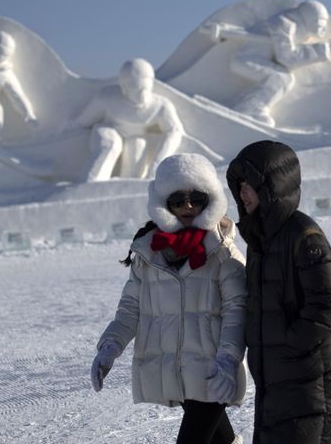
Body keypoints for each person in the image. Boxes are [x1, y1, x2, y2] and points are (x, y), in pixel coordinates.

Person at [91, 153, 247, 444]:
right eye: (178, 199)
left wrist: (227, 361)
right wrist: (110, 346)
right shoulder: (149, 254)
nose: (187, 206)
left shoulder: (223, 252)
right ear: (165, 203)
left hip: (213, 371)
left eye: (196, 198)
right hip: (178, 370)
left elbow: (237, 311)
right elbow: (130, 308)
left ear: (210, 200)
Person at [225, 140, 331, 443]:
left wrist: (291, 346)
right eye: (240, 186)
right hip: (282, 381)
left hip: (312, 382)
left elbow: (327, 303)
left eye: (251, 186)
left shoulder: (302, 234)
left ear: (273, 187)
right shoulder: (261, 239)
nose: (243, 194)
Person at [202, 0, 331, 126]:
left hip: (255, 59)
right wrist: (321, 50)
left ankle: (244, 104)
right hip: (246, 59)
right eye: (320, 21)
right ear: (310, 18)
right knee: (280, 78)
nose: (322, 27)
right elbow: (287, 57)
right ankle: (250, 109)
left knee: (281, 77)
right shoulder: (284, 24)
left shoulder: (294, 26)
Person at [70, 58, 184, 181]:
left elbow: (174, 131)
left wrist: (157, 164)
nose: (141, 95)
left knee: (137, 152)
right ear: (123, 87)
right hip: (109, 130)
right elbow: (84, 121)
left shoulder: (160, 105)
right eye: (135, 88)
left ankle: (127, 188)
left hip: (136, 136)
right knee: (111, 145)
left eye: (144, 88)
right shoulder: (107, 98)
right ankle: (91, 182)